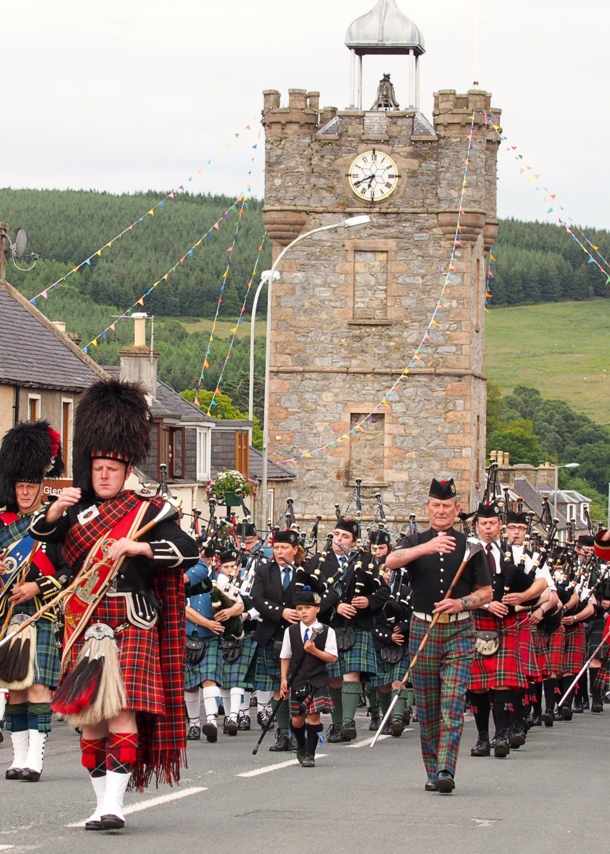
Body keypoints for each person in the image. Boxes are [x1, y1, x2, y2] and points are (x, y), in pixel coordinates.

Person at [29, 380, 199, 831]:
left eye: (112, 469)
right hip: (84, 623)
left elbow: (189, 551)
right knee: (90, 719)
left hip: (131, 620)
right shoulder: (75, 512)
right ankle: (100, 802)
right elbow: (44, 545)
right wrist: (51, 513)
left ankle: (115, 806)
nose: (104, 475)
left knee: (121, 710)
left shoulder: (151, 513)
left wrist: (141, 550)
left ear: (126, 470)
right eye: (98, 468)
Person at [385, 478, 492, 794]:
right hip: (423, 629)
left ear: (457, 509)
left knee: (452, 703)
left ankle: (446, 769)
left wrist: (461, 602)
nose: (442, 510)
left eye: (447, 505)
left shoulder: (470, 546)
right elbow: (390, 561)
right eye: (436, 505)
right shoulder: (414, 541)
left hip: (459, 628)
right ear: (428, 509)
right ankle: (433, 770)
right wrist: (427, 547)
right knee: (429, 707)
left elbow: (486, 592)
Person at [0, 421, 67, 782]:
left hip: (42, 611)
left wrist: (38, 587)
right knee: (15, 688)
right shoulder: (2, 522)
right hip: (7, 612)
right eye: (20, 486)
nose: (25, 492)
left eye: (31, 486)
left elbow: (71, 569)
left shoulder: (56, 520)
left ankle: (36, 758)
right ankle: (18, 756)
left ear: (43, 487)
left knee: (38, 685)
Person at [468, 503, 541, 759]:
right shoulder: (468, 551)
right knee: (477, 686)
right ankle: (482, 738)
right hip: (478, 619)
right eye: (482, 524)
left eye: (492, 523)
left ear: (500, 526)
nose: (488, 528)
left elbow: (541, 582)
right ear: (476, 526)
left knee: (501, 683)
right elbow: (459, 590)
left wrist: (523, 597)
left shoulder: (514, 553)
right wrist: (487, 603)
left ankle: (501, 735)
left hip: (507, 622)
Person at [308, 519, 388, 744]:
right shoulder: (319, 562)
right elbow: (310, 595)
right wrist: (335, 605)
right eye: (336, 535)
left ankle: (348, 723)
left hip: (357, 624)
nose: (338, 539)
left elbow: (384, 591)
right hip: (330, 625)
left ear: (354, 542)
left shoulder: (366, 561)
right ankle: (336, 723)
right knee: (334, 678)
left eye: (344, 536)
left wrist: (368, 600)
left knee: (351, 673)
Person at [279, 588, 338, 767]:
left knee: (313, 717)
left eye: (307, 607)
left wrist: (314, 651)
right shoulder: (291, 631)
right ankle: (301, 745)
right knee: (297, 720)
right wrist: (284, 679)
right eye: (299, 609)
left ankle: (310, 754)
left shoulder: (327, 631)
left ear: (317, 609)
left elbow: (332, 657)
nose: (303, 612)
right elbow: (285, 656)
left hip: (317, 679)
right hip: (298, 680)